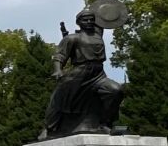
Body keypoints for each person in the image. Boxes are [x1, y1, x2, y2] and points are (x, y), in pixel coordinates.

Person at [42, 7, 126, 138]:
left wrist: (103, 0)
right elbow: (60, 56)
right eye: (85, 20)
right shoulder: (72, 38)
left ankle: (105, 123)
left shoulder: (98, 35)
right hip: (79, 73)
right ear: (78, 22)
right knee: (60, 98)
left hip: (99, 74)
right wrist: (58, 70)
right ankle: (49, 127)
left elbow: (103, 12)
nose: (89, 22)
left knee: (115, 91)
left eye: (91, 19)